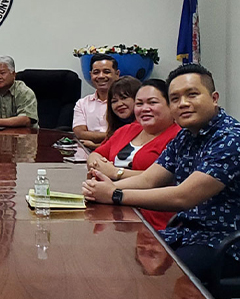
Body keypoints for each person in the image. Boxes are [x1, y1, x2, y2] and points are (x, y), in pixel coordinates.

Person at [83, 64, 240, 282]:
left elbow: (182, 196)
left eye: (192, 94)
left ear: (214, 98)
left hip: (225, 242)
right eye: (175, 98)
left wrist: (114, 194)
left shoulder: (230, 139)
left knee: (163, 276)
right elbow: (149, 179)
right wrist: (102, 187)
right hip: (186, 232)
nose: (183, 103)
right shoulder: (185, 137)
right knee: (122, 257)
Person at [86, 79, 181, 230]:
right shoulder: (128, 129)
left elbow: (156, 179)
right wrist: (97, 169)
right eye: (139, 104)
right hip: (114, 209)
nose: (144, 109)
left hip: (151, 220)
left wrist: (115, 174)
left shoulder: (178, 137)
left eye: (152, 102)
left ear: (171, 105)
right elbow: (95, 154)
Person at [73, 53, 120, 149]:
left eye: (106, 72)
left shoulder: (124, 102)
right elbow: (79, 133)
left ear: (117, 74)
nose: (101, 76)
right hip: (87, 152)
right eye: (96, 72)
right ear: (91, 75)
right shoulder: (82, 104)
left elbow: (129, 135)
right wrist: (114, 135)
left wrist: (96, 144)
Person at [104, 76, 141, 140]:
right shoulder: (114, 132)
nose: (119, 104)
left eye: (124, 98)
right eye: (114, 101)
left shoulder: (147, 129)